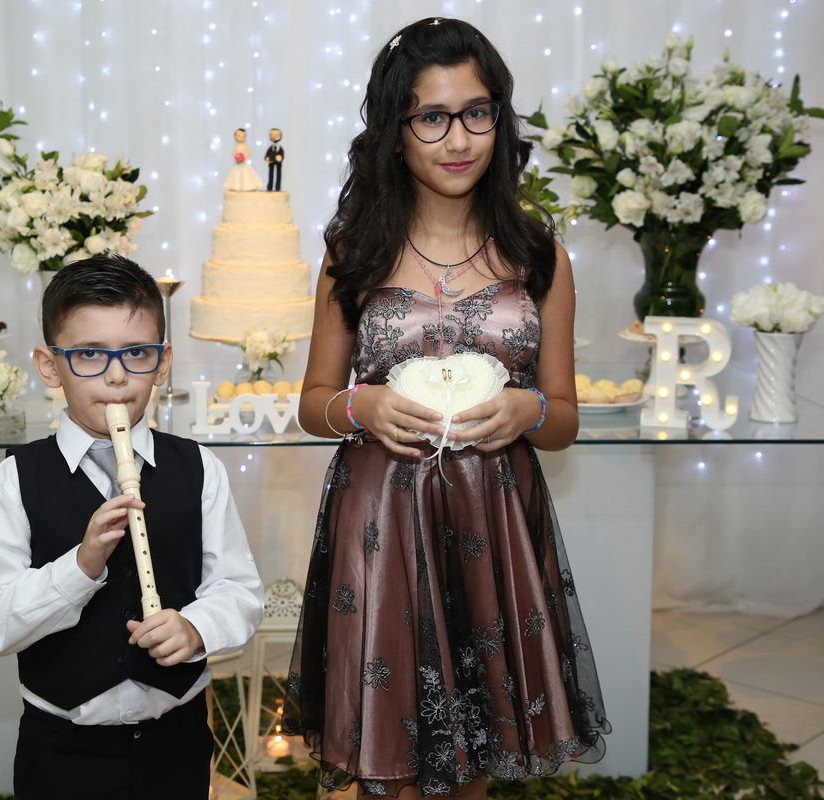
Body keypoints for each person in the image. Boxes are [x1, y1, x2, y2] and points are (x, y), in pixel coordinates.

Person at [284, 18, 610, 798]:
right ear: (395, 133)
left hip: (493, 520)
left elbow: (564, 419)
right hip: (383, 522)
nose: (458, 138)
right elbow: (312, 404)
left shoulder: (539, 257)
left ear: (500, 118)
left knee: (479, 754)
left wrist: (529, 411)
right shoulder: (352, 251)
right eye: (431, 117)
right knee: (387, 756)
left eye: (476, 112)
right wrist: (361, 406)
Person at [0, 254, 265, 799]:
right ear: (50, 366)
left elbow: (239, 591)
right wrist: (78, 568)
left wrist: (196, 628)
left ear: (162, 362)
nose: (117, 375)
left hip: (177, 741)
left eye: (137, 353)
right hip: (62, 753)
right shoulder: (14, 480)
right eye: (89, 354)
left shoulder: (199, 468)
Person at [223, 127, 263, 191]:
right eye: (239, 136)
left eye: (244, 136)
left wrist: (244, 156)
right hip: (238, 163)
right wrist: (236, 155)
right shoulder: (236, 146)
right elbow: (233, 152)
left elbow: (248, 152)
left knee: (246, 174)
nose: (242, 137)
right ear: (235, 137)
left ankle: (246, 186)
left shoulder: (245, 146)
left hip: (244, 162)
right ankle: (236, 186)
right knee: (237, 174)